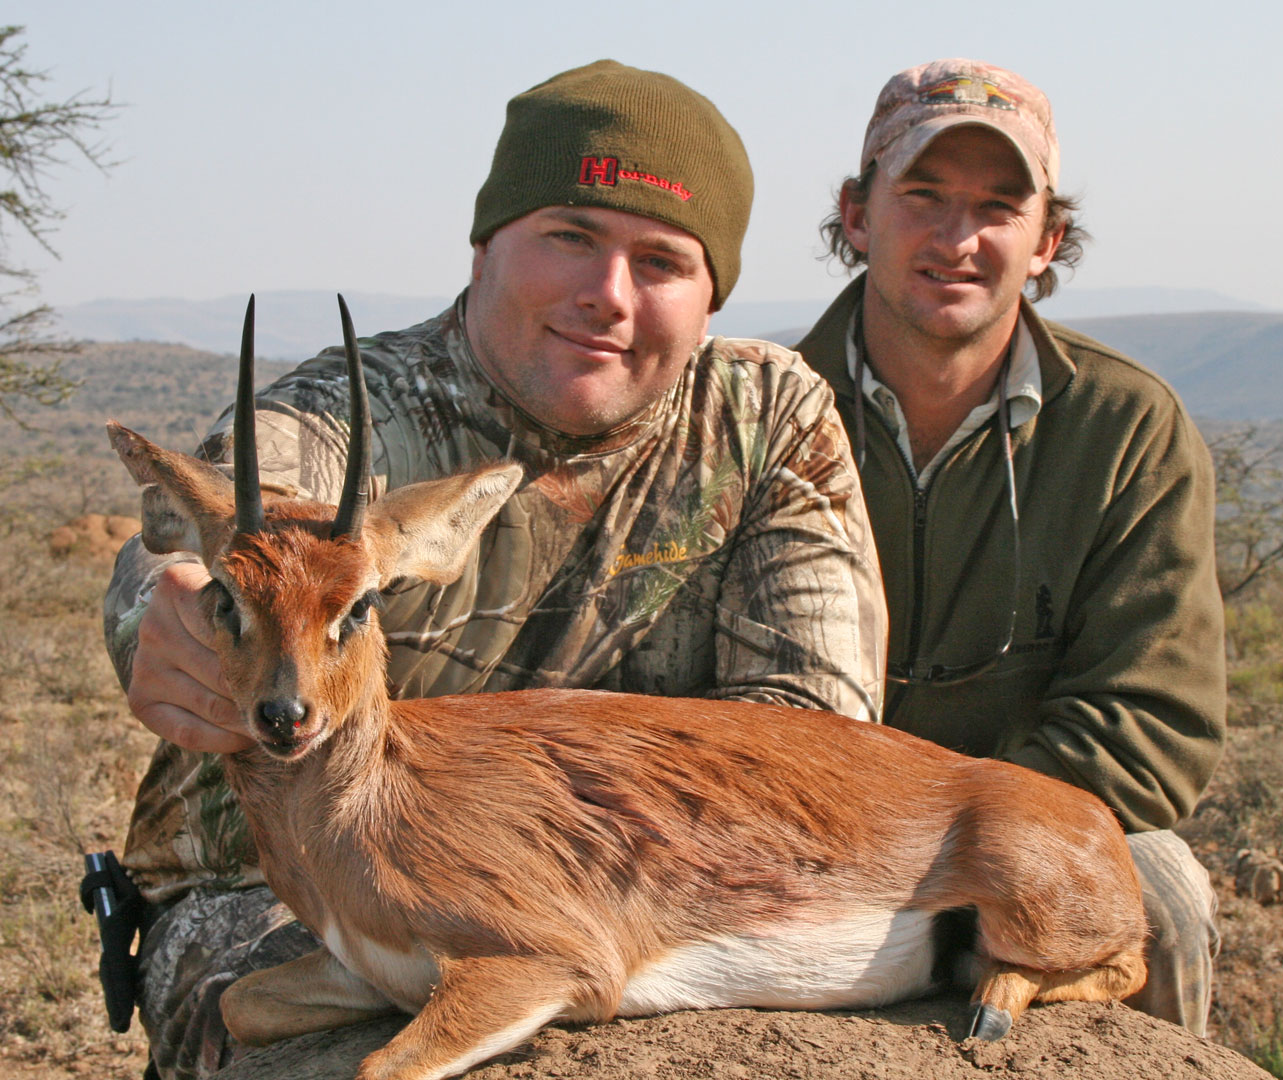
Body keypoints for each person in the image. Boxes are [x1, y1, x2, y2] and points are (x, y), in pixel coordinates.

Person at [102, 60, 885, 1079]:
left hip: (601, 885)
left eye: (660, 262)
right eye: (571, 238)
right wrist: (152, 615)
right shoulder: (352, 412)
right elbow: (211, 534)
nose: (607, 296)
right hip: (274, 889)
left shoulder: (766, 415)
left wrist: (575, 868)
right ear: (484, 251)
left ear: (708, 297)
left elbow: (811, 733)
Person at [793, 59, 1228, 1035]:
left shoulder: (1127, 428)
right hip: (791, 830)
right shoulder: (753, 409)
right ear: (858, 216)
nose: (959, 238)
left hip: (1032, 822)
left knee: (1165, 901)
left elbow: (1151, 725)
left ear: (1047, 240)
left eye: (998, 206)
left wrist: (961, 852)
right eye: (923, 196)